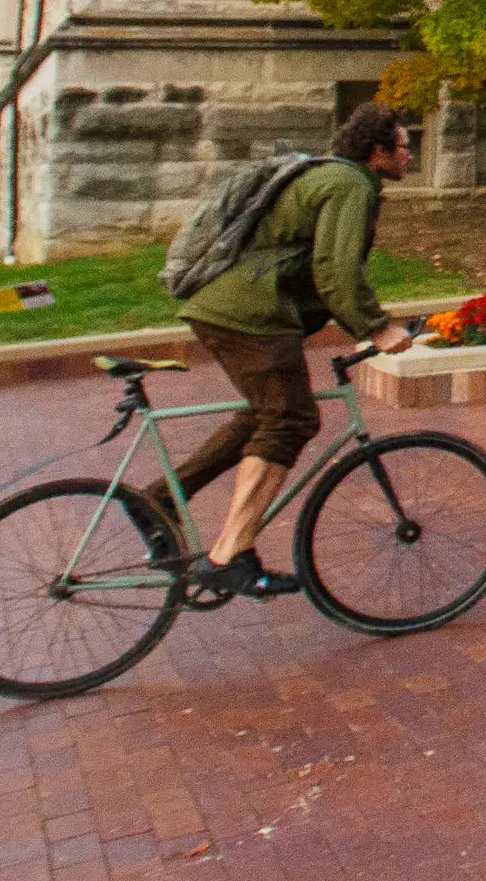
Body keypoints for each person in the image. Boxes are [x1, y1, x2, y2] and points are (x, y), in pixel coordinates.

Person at [171, 100, 418, 601]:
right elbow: (336, 269)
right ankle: (229, 556)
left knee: (267, 414)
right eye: (404, 147)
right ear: (377, 152)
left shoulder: (331, 177)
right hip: (250, 314)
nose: (410, 155)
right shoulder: (350, 185)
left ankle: (160, 500)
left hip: (228, 307)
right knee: (291, 421)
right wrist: (376, 328)